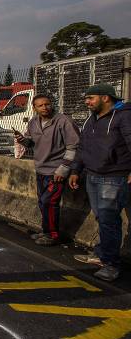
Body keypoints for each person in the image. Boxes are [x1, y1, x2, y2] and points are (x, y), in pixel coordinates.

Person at [69, 83, 131, 282]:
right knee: (101, 218)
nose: (87, 102)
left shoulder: (123, 116)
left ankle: (111, 264)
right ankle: (101, 254)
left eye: (91, 98)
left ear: (106, 98)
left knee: (108, 219)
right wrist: (75, 170)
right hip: (93, 175)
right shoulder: (91, 119)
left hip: (113, 176)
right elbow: (82, 147)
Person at [14, 94, 80, 246]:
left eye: (47, 104)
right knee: (42, 202)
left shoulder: (63, 121)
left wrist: (63, 169)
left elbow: (74, 147)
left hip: (56, 171)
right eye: (40, 105)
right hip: (41, 170)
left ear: (52, 104)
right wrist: (22, 139)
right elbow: (31, 144)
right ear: (34, 108)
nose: (45, 107)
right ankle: (46, 231)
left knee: (49, 202)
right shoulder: (33, 123)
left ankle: (52, 235)